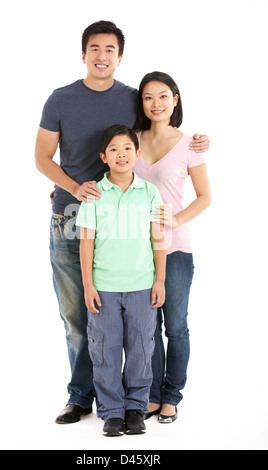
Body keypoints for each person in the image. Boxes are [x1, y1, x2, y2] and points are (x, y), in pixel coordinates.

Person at [35, 20, 210, 425]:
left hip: (127, 221)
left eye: (110, 50)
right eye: (94, 49)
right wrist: (73, 188)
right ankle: (82, 396)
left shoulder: (133, 99)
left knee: (137, 317)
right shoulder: (60, 99)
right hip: (70, 214)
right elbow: (42, 157)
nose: (102, 57)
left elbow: (159, 127)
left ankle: (137, 397)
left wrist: (198, 142)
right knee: (77, 314)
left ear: (120, 56)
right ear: (83, 54)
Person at [76, 125, 166, 437]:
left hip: (142, 284)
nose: (121, 154)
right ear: (104, 156)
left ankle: (135, 408)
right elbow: (86, 242)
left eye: (128, 148)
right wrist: (88, 285)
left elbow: (158, 238)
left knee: (142, 348)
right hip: (104, 287)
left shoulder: (150, 192)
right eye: (113, 149)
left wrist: (160, 280)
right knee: (105, 350)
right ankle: (112, 412)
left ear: (137, 154)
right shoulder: (94, 194)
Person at [133, 71, 211, 423]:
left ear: (175, 99)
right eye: (148, 97)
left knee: (175, 325)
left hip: (175, 249)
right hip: (134, 249)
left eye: (163, 96)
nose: (156, 103)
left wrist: (177, 220)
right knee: (146, 326)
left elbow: (205, 196)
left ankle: (171, 396)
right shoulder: (131, 140)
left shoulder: (189, 144)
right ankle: (150, 394)